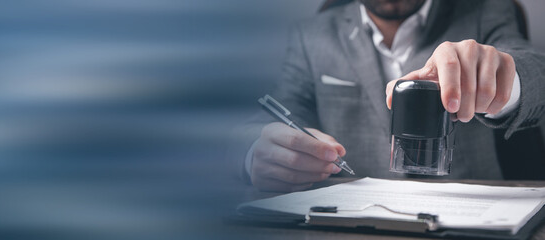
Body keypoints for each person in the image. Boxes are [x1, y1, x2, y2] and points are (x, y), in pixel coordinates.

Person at [231, 0, 545, 192]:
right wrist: (255, 154)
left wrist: (504, 79)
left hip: (470, 220)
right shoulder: (312, 34)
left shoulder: (487, 10)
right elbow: (272, 117)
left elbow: (536, 74)